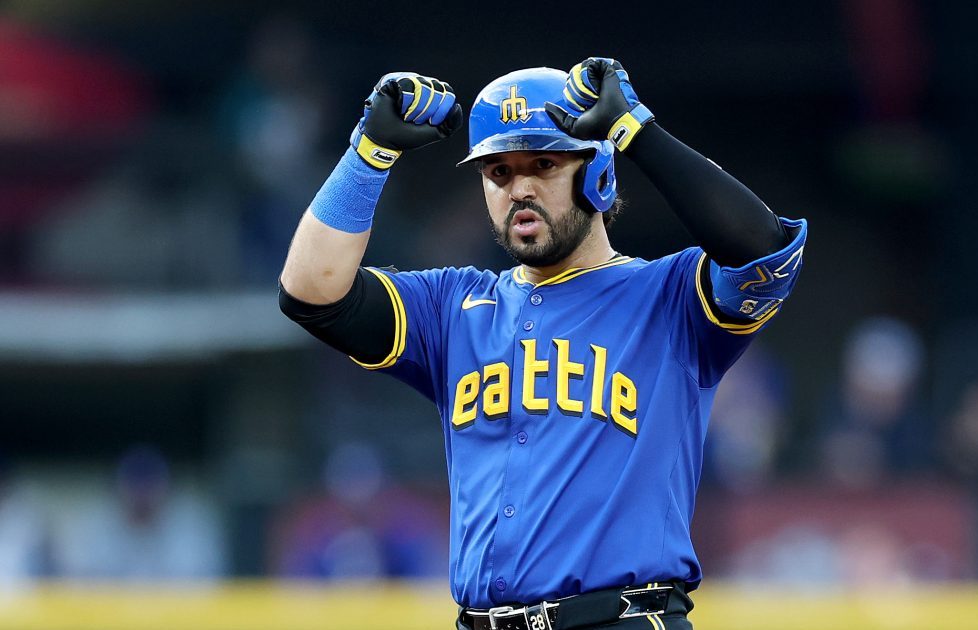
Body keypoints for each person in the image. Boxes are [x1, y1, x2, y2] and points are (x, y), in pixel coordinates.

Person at [280, 58, 807, 630]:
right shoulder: (454, 308)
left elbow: (766, 251)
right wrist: (368, 153)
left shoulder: (667, 294)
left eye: (545, 163)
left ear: (598, 173)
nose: (520, 188)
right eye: (499, 172)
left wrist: (638, 132)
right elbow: (311, 292)